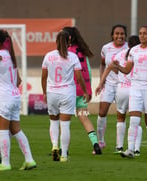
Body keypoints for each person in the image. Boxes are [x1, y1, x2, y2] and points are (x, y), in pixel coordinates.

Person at [96, 35, 147, 155]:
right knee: (138, 120)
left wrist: (102, 81)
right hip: (137, 88)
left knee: (122, 118)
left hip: (124, 88)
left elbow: (112, 68)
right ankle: (136, 149)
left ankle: (120, 147)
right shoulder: (144, 53)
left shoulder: (122, 54)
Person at [0, 29, 36, 170]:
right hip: (15, 96)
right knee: (17, 131)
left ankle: (5, 164)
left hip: (3, 97)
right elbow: (18, 80)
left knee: (3, 132)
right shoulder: (10, 56)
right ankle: (29, 160)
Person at [112, 25, 147, 159]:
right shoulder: (133, 51)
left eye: (145, 33)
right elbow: (127, 70)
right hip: (135, 87)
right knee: (134, 119)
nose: (142, 36)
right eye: (140, 33)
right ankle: (130, 149)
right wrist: (118, 66)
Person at [41, 30, 90, 162]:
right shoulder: (73, 57)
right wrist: (85, 92)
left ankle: (54, 145)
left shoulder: (48, 56)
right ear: (69, 42)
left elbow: (44, 77)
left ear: (56, 41)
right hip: (67, 93)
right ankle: (63, 155)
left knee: (53, 122)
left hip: (52, 93)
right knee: (65, 125)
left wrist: (44, 92)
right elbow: (79, 77)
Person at [62, 26, 101, 155]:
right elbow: (88, 72)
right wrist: (87, 91)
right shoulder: (82, 51)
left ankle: (63, 149)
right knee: (83, 117)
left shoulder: (66, 52)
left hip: (69, 90)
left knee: (64, 120)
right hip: (82, 90)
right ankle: (95, 144)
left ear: (68, 37)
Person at [96, 24, 128, 150]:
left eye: (122, 34)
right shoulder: (106, 48)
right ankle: (101, 141)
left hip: (123, 85)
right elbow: (103, 64)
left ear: (125, 35)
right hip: (109, 85)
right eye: (117, 34)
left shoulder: (130, 48)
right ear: (112, 35)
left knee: (122, 115)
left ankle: (119, 145)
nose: (119, 36)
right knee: (102, 112)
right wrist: (101, 80)